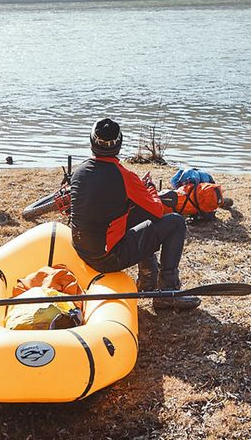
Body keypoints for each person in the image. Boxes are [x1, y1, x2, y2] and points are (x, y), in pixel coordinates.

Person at [69, 117, 199, 311]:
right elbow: (156, 210)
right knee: (176, 223)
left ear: (91, 143)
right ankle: (168, 293)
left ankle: (148, 279)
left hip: (82, 250)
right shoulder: (124, 176)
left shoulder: (79, 172)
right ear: (119, 145)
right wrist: (150, 188)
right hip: (107, 258)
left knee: (135, 212)